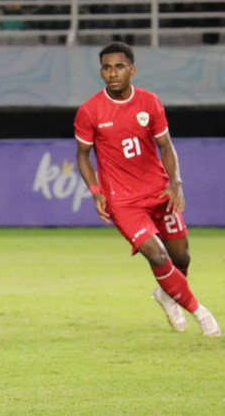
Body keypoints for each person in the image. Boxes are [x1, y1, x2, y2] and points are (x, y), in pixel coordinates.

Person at [75, 41, 221, 337]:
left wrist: (175, 183)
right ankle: (200, 313)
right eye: (106, 67)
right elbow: (82, 155)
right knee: (158, 256)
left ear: (132, 69)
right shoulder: (89, 111)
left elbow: (165, 146)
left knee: (182, 258)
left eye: (119, 66)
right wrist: (96, 191)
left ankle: (166, 294)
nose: (112, 73)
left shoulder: (149, 102)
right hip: (124, 202)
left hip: (159, 193)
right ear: (101, 72)